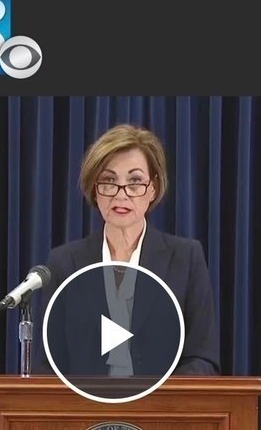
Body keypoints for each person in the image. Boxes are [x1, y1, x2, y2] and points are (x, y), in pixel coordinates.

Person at [40, 124, 220, 376]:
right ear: (95, 189)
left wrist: (155, 396)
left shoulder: (186, 258)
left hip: (163, 401)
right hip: (83, 401)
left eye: (134, 182)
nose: (121, 195)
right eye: (109, 181)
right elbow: (47, 365)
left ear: (153, 188)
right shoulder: (64, 263)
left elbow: (202, 359)